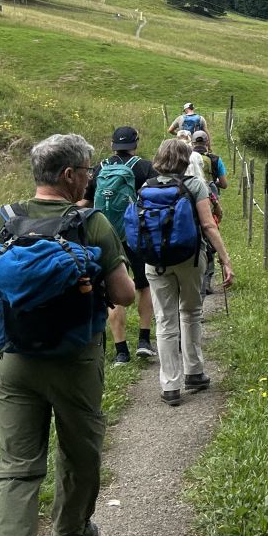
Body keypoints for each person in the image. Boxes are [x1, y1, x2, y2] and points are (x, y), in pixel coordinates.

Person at [0, 133, 135, 536]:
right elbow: (123, 293)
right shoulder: (93, 222)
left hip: (16, 364)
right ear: (69, 176)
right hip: (76, 363)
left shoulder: (2, 219)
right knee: (80, 456)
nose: (91, 175)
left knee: (17, 472)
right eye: (87, 169)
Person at [135, 138, 233, 406]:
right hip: (189, 259)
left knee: (165, 320)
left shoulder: (146, 186)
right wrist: (225, 260)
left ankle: (169, 385)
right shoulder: (194, 184)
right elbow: (208, 226)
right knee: (190, 312)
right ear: (185, 159)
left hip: (155, 261)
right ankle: (194, 372)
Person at [88, 125, 158, 365]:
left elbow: (86, 202)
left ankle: (120, 351)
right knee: (144, 285)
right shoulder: (145, 167)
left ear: (112, 145)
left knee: (114, 290)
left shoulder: (100, 168)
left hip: (107, 237)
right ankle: (144, 341)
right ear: (135, 144)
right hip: (136, 235)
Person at [188, 129, 227, 292]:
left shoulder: (186, 159)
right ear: (206, 142)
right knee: (210, 239)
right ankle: (206, 283)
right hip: (210, 197)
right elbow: (224, 184)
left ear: (193, 142)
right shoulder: (215, 159)